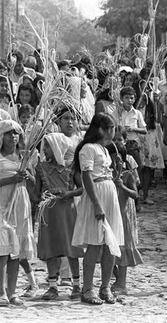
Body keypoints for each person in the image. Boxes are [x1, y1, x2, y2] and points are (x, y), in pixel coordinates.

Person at [72, 113, 124, 305]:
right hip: (97, 195)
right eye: (110, 128)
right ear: (101, 128)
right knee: (95, 243)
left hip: (109, 192)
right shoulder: (88, 148)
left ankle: (105, 287)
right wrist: (96, 203)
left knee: (110, 243)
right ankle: (87, 289)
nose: (112, 132)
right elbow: (87, 176)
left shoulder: (104, 148)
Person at [35, 133, 84, 300]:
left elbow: (82, 188)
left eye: (47, 146)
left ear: (57, 147)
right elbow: (36, 193)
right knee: (50, 247)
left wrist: (69, 193)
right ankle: (52, 286)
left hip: (67, 211)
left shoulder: (71, 168)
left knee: (71, 247)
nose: (44, 150)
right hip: (48, 212)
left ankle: (76, 285)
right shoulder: (40, 168)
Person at [0, 120, 37, 306]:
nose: (13, 136)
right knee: (2, 250)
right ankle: (1, 292)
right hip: (3, 203)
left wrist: (27, 176)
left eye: (16, 133)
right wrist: (11, 179)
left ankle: (12, 291)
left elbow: (33, 183)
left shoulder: (24, 157)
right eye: (8, 133)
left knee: (16, 250)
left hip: (20, 202)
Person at [107, 141, 143, 296]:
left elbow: (135, 195)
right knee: (108, 249)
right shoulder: (106, 175)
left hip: (123, 218)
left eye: (117, 159)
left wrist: (122, 186)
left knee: (123, 251)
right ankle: (114, 277)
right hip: (109, 216)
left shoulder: (127, 175)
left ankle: (122, 283)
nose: (115, 162)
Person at [112, 86, 147, 175]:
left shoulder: (137, 113)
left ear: (135, 99)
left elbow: (144, 130)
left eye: (131, 98)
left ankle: (135, 185)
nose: (129, 100)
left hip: (133, 145)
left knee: (136, 167)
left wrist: (133, 129)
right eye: (126, 98)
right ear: (121, 99)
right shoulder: (117, 112)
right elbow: (112, 126)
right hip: (119, 144)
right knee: (121, 167)